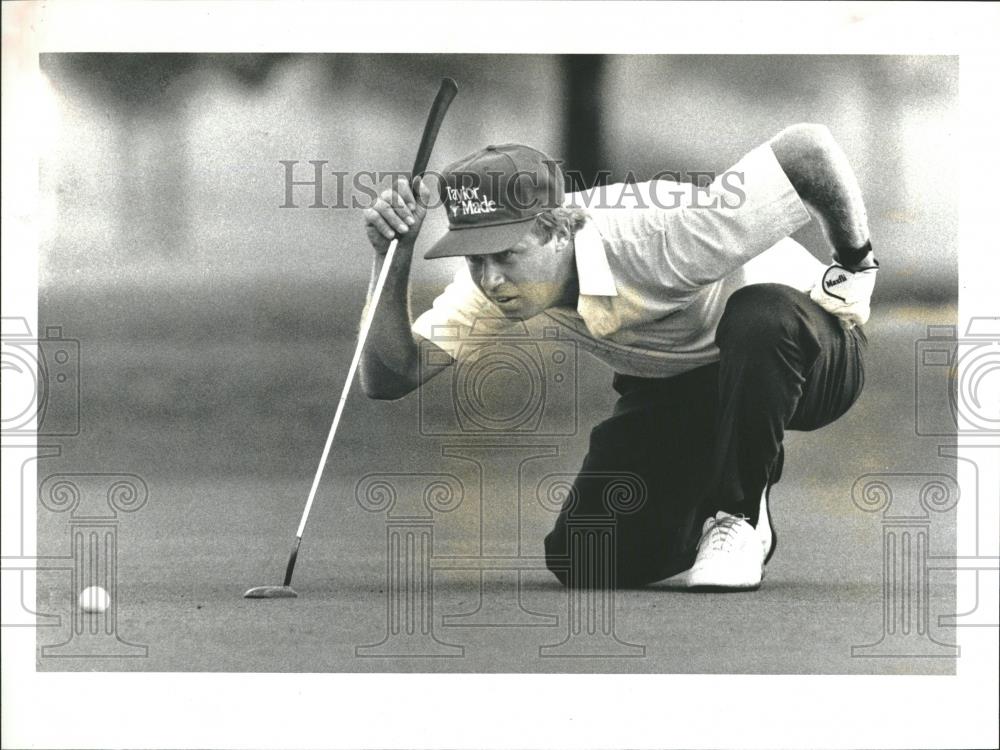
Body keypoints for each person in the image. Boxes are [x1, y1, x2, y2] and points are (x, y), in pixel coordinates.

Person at [359, 125, 878, 591]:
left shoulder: (665, 233)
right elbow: (392, 376)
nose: (492, 279)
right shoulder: (490, 289)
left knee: (759, 315)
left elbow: (806, 150)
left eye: (507, 255)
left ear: (559, 230)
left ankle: (740, 515)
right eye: (475, 259)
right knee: (585, 558)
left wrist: (856, 261)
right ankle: (718, 481)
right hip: (686, 385)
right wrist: (392, 259)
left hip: (809, 358)